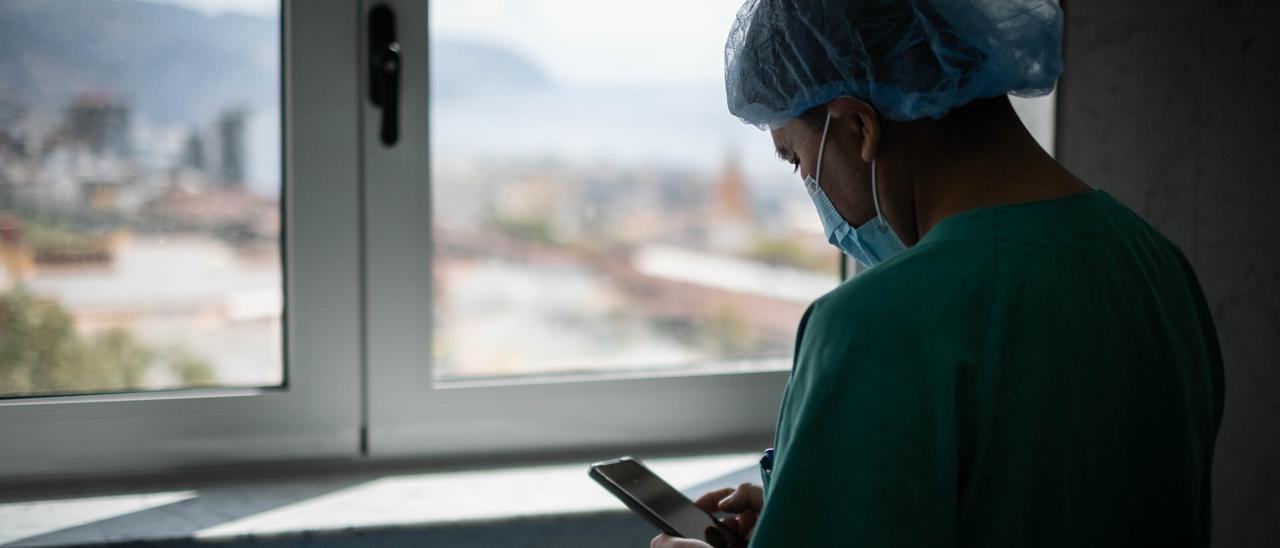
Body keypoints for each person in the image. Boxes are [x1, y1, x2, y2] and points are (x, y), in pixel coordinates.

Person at [653, 0, 1223, 546]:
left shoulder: (874, 323)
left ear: (857, 127)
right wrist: (805, 501)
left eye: (798, 160)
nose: (814, 192)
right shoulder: (1156, 265)